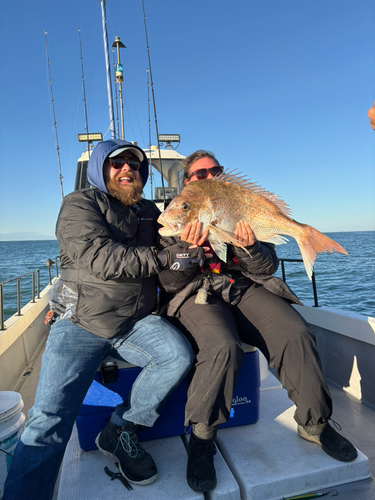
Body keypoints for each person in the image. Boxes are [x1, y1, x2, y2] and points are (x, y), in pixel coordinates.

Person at [3, 139, 201, 500]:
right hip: (81, 322)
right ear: (100, 168)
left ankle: (120, 427)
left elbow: (177, 248)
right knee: (48, 420)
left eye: (135, 164)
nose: (128, 169)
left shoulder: (149, 211)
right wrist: (164, 257)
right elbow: (101, 259)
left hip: (134, 321)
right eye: (118, 163)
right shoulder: (79, 204)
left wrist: (192, 248)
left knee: (177, 356)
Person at [158, 150, 358, 493]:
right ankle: (203, 437)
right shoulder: (175, 218)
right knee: (222, 347)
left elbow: (267, 268)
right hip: (198, 292)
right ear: (187, 181)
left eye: (215, 171)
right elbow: (170, 282)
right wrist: (190, 250)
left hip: (243, 286)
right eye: (198, 174)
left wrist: (250, 248)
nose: (208, 177)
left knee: (294, 331)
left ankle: (314, 423)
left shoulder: (236, 203)